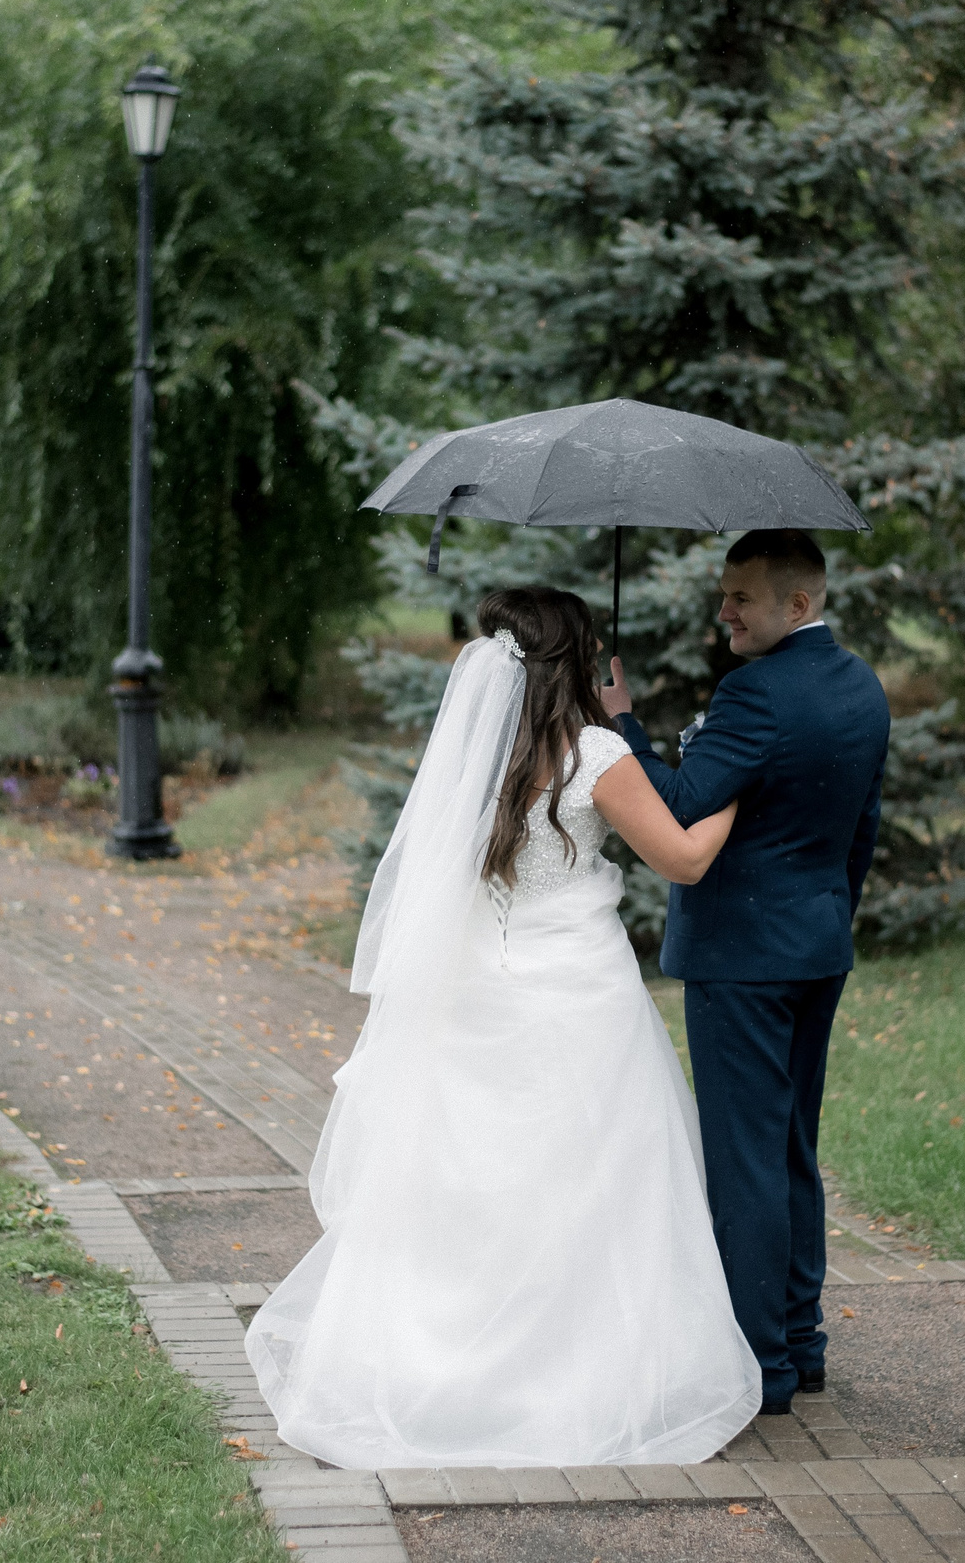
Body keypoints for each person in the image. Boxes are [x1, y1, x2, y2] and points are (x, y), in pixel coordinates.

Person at [244, 586, 763, 1469]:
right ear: (579, 660)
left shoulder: (482, 759)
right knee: (591, 1185)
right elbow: (684, 856)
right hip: (578, 999)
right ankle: (575, 1376)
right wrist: (737, 783)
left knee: (475, 1182)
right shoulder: (595, 753)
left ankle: (442, 1373)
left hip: (481, 987)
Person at [599, 528, 891, 1414]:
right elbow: (862, 829)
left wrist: (622, 724)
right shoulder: (861, 686)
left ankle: (758, 1364)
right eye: (724, 593)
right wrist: (828, 918)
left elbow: (681, 804)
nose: (723, 610)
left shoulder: (755, 694)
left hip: (743, 961)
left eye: (742, 598)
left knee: (746, 1161)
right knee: (792, 1146)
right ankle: (801, 1342)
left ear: (797, 604)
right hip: (816, 946)